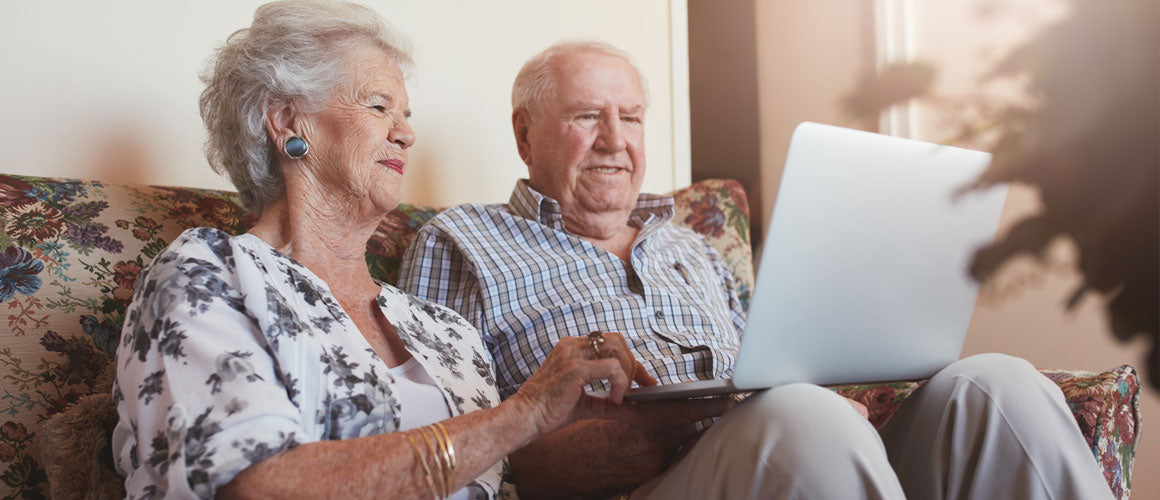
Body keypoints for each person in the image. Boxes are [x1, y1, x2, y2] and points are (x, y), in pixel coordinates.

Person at [398, 40, 1115, 499]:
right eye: (587, 115)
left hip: (794, 456)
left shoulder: (693, 246)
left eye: (633, 117)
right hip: (643, 483)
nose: (616, 140)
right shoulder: (460, 243)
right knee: (798, 417)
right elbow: (453, 452)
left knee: (992, 386)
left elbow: (769, 373)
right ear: (526, 132)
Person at [111, 5, 669, 499]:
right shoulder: (210, 275)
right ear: (286, 121)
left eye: (407, 116)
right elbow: (260, 485)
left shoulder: (443, 329)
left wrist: (569, 424)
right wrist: (521, 415)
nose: (406, 134)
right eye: (379, 107)